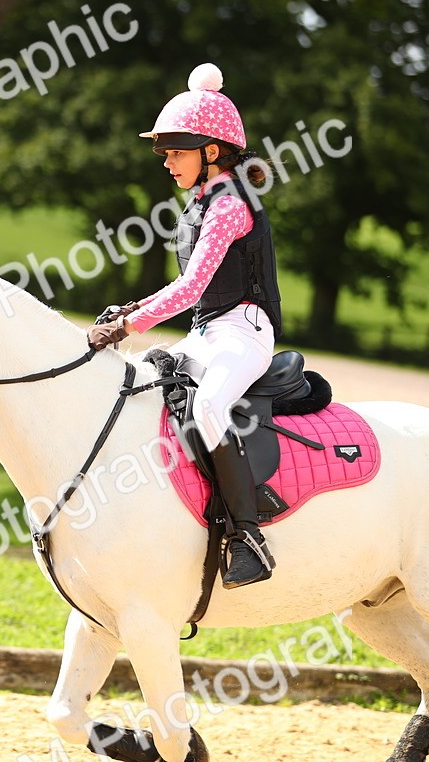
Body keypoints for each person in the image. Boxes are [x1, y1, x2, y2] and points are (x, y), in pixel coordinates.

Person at [87, 63, 284, 589]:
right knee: (149, 382)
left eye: (176, 150)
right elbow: (190, 295)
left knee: (207, 405)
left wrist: (129, 324)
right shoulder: (200, 203)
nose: (166, 161)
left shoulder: (229, 208)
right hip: (209, 330)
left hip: (244, 333)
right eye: (165, 151)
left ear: (211, 152)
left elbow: (191, 290)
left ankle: (248, 535)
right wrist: (129, 313)